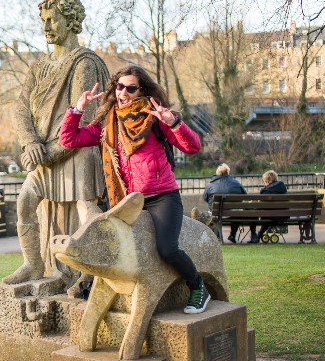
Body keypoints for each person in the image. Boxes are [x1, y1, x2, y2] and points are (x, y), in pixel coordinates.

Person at [59, 65, 212, 314]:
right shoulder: (107, 123)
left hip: (161, 196)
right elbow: (68, 139)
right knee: (110, 246)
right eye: (120, 86)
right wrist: (78, 109)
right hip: (126, 201)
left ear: (141, 91)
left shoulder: (155, 117)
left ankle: (197, 286)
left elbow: (193, 147)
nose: (124, 92)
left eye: (131, 88)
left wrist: (173, 122)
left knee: (167, 249)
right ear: (114, 89)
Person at [4, 0, 107, 290]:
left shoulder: (84, 62)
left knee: (85, 211)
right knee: (25, 201)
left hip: (76, 153)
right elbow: (21, 107)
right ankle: (33, 264)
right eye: (43, 21)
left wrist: (46, 153)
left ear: (71, 21)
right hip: (44, 154)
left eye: (53, 20)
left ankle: (94, 272)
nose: (46, 27)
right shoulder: (39, 66)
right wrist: (30, 143)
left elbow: (85, 119)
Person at [203, 163, 255, 243]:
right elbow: (244, 196)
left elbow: (205, 198)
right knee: (236, 212)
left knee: (213, 215)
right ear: (228, 172)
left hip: (216, 214)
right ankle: (232, 235)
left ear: (217, 173)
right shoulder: (236, 183)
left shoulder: (210, 185)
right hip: (234, 214)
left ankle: (217, 237)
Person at [256, 170, 288, 242]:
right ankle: (259, 235)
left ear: (267, 181)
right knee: (268, 213)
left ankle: (257, 236)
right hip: (284, 215)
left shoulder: (266, 190)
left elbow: (261, 205)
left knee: (265, 214)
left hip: (271, 216)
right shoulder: (282, 187)